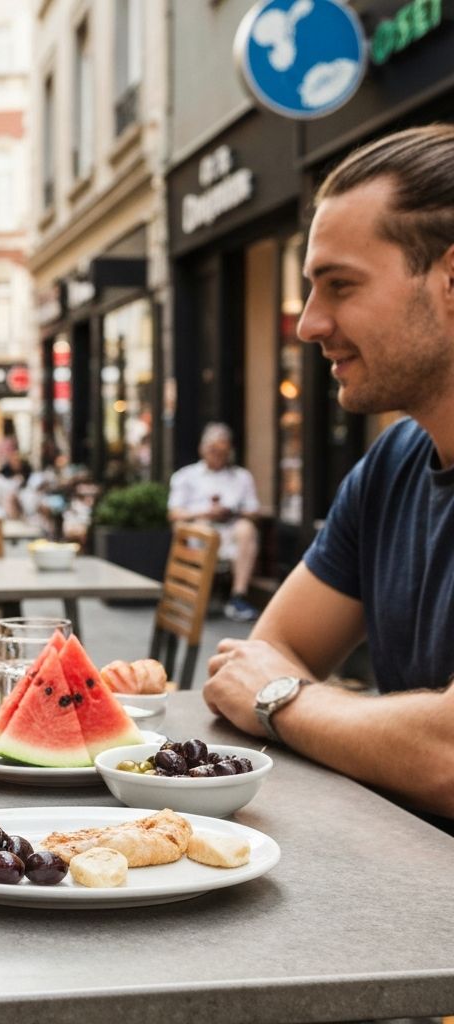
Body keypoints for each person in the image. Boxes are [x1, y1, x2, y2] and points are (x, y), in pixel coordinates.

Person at [203, 124, 454, 832]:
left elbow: (450, 759)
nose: (309, 325)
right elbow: (256, 659)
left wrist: (285, 701)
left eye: (340, 286)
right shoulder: (392, 463)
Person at [169, 422, 262, 622]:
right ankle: (197, 596)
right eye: (212, 448)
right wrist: (206, 513)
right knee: (203, 530)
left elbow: (254, 510)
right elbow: (174, 513)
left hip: (231, 529)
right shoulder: (186, 476)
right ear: (202, 448)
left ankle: (238, 596)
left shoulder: (241, 477)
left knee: (247, 529)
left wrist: (232, 511)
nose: (217, 454)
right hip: (199, 528)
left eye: (222, 449)